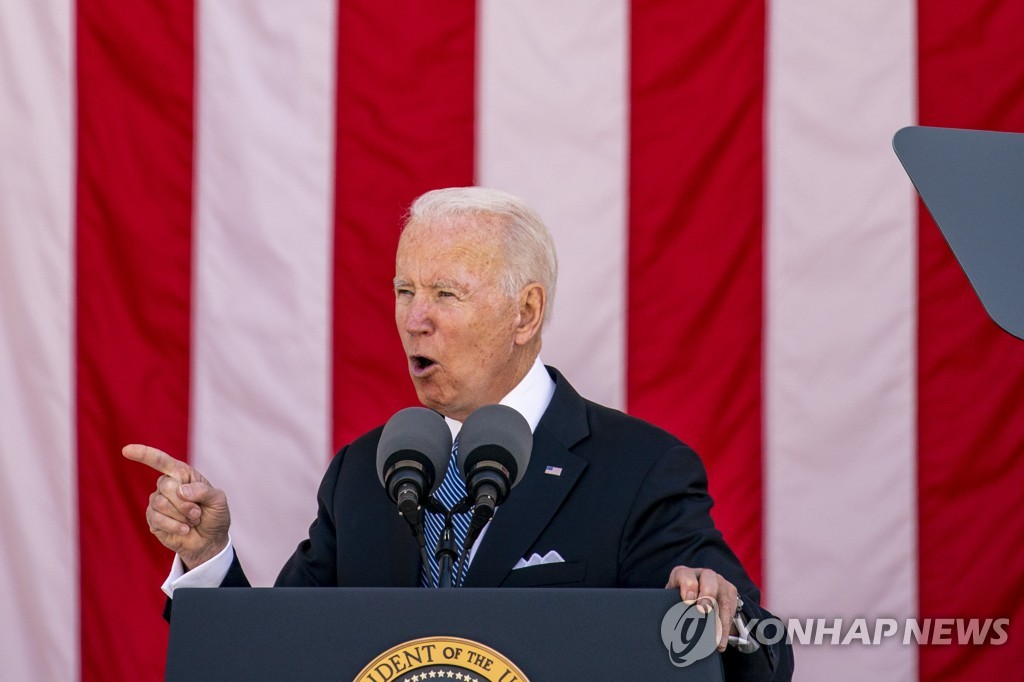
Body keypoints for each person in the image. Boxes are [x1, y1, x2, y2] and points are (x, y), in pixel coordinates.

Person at [125, 186, 793, 679]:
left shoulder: (638, 468)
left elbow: (765, 654)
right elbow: (280, 657)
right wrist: (210, 558)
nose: (415, 320)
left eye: (446, 295)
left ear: (525, 312)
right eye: (403, 290)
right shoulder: (365, 471)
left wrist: (719, 620)